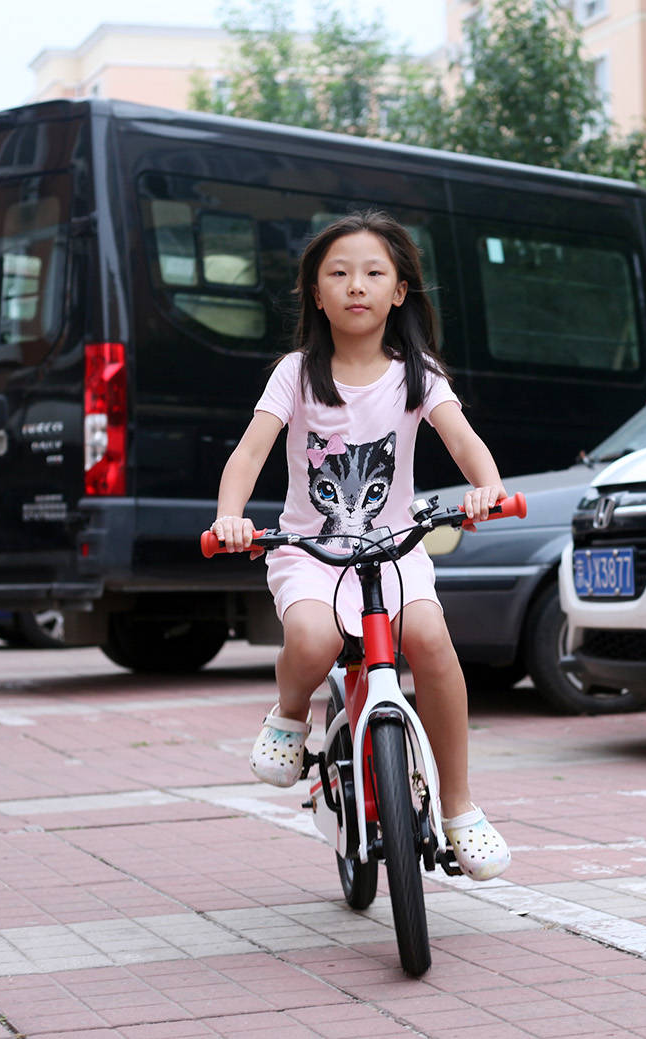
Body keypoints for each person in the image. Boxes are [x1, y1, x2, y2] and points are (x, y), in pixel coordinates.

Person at [211, 210, 511, 881]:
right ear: (316, 293)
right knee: (314, 641)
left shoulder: (418, 374)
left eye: (374, 272)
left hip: (393, 550)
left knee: (430, 641)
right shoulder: (295, 373)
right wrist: (231, 515)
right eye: (339, 273)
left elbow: (463, 442)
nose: (357, 286)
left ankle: (460, 807)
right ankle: (290, 716)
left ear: (399, 290)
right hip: (310, 553)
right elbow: (249, 452)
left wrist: (487, 487)